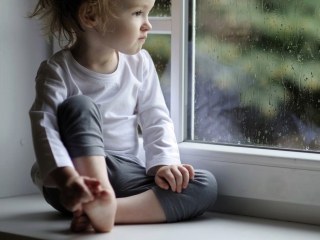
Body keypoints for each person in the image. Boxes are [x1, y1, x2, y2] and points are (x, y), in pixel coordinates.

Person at [28, 0, 218, 233]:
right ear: (91, 15)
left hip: (125, 173)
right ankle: (96, 201)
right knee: (80, 106)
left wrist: (165, 164)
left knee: (204, 184)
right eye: (138, 13)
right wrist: (67, 180)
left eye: (148, 13)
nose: (147, 25)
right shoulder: (57, 71)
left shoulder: (140, 64)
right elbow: (45, 129)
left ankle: (107, 210)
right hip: (74, 181)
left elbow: (156, 119)